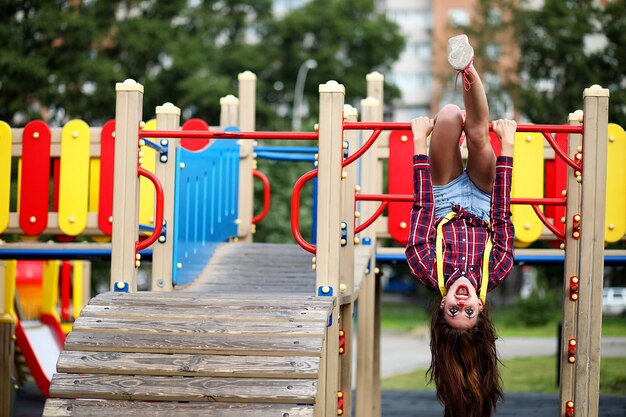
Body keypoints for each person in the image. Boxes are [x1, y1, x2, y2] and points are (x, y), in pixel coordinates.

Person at [405, 34, 516, 417]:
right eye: (471, 313)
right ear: (483, 308)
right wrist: (510, 148)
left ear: (442, 306)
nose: (463, 303)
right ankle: (466, 67)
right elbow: (502, 214)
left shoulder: (423, 266)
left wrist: (419, 142)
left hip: (444, 194)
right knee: (480, 136)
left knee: (451, 116)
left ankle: (464, 75)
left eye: (455, 310)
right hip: (485, 200)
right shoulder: (497, 269)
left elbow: (422, 207)